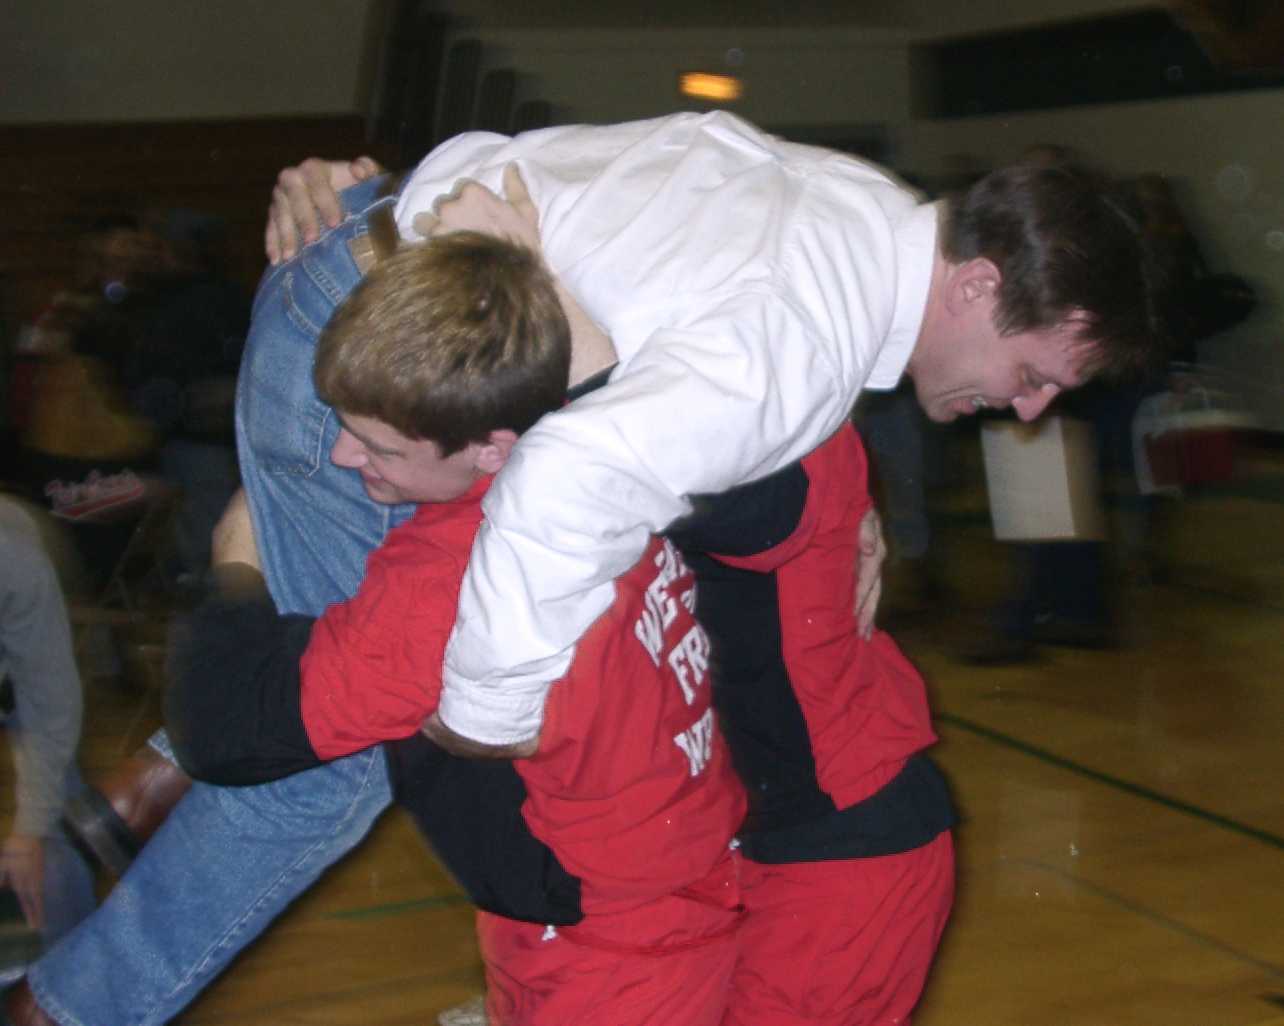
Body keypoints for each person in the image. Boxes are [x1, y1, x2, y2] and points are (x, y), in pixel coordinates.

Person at [17, 113, 1164, 1024]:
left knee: (360, 679)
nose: (1027, 411)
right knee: (336, 757)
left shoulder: (859, 210)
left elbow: (597, 191)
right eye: (1034, 370)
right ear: (974, 285)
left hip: (383, 261)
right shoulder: (797, 352)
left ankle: (134, 801)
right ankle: (68, 1000)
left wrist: (389, 207)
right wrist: (485, 709)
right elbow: (568, 480)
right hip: (388, 348)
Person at [162, 232, 745, 1024]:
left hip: (614, 952)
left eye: (378, 446)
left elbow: (227, 732)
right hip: (656, 879)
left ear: (490, 451)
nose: (340, 457)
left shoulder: (460, 583)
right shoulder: (604, 428)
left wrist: (237, 558)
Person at [0, 500, 96, 964]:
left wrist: (29, 830)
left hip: (23, 679)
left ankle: (71, 988)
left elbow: (50, 705)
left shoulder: (14, 561)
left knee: (50, 843)